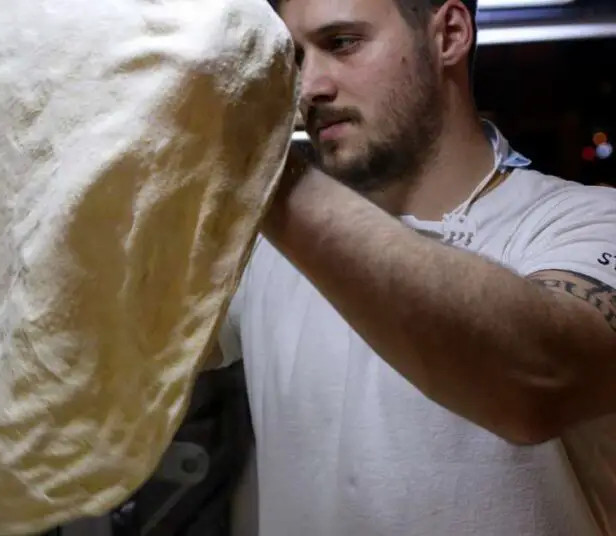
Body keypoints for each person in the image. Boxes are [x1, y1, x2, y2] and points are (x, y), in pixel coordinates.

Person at [213, 0, 616, 534]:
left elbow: (536, 382)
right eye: (294, 59)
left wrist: (265, 177)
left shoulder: (585, 222)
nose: (309, 88)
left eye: (342, 44)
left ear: (448, 34)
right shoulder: (264, 252)